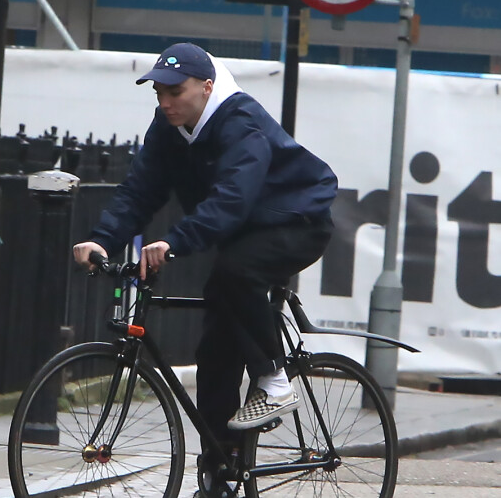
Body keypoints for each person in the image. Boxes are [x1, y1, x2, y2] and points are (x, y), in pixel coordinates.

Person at [73, 42, 337, 495]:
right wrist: (102, 238)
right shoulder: (168, 126)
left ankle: (274, 380)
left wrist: (175, 240)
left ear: (206, 86)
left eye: (175, 91)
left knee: (235, 273)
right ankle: (222, 469)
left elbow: (234, 199)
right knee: (214, 349)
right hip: (246, 229)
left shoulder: (240, 122)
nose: (166, 101)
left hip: (297, 220)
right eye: (158, 92)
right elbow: (141, 190)